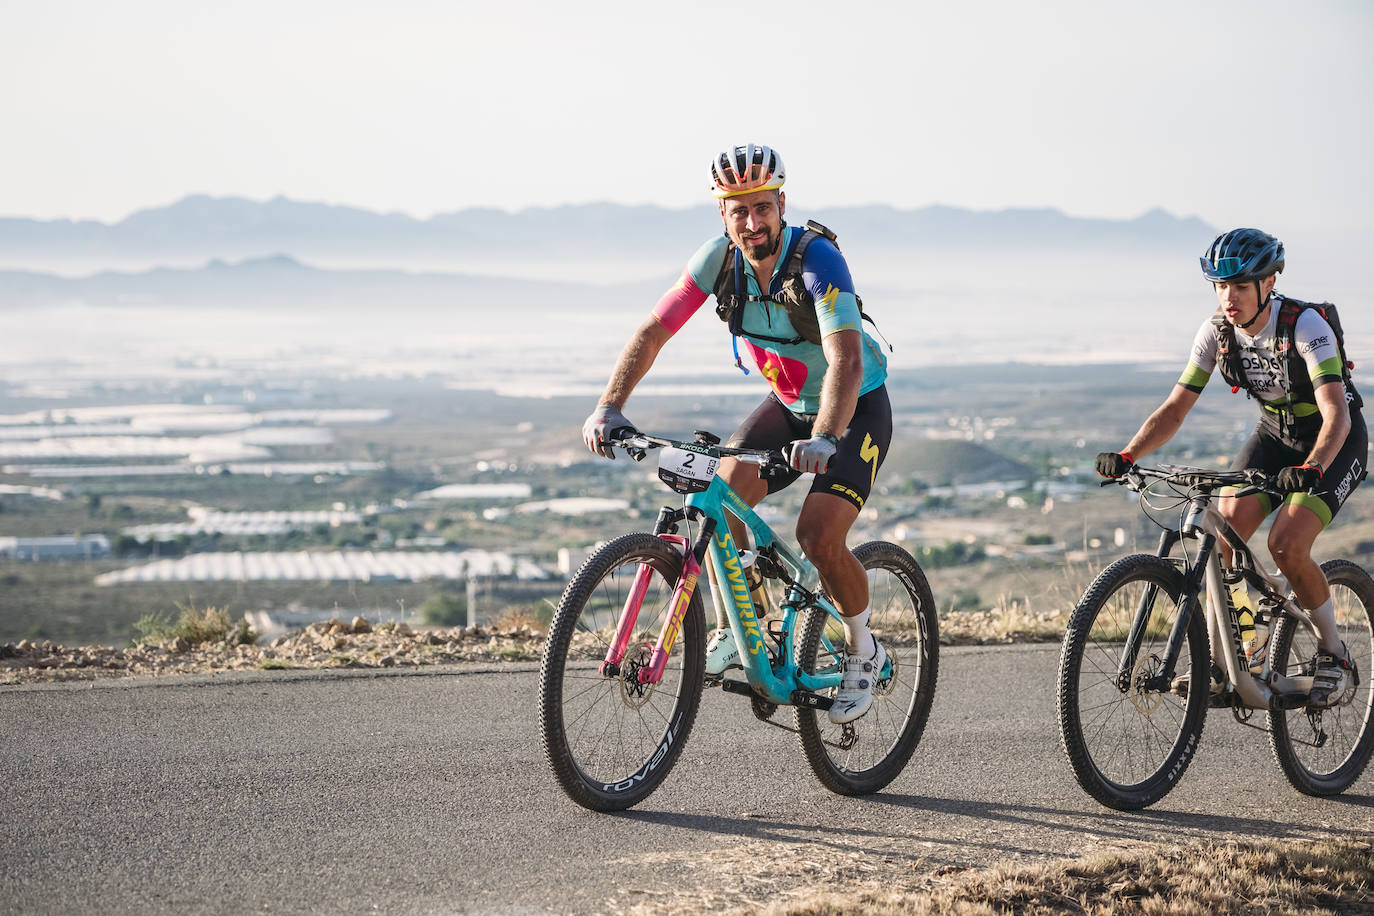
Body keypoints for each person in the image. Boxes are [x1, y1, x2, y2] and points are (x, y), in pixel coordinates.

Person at [580, 143, 893, 724]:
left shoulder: (816, 259)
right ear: (722, 216)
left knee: (818, 535)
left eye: (760, 207)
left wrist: (826, 436)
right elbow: (654, 331)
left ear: (780, 204)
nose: (751, 223)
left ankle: (863, 649)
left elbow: (846, 360)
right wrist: (609, 405)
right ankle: (743, 630)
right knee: (722, 500)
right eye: (737, 210)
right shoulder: (717, 261)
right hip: (789, 404)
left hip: (854, 408)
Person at [1096, 228, 1365, 708]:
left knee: (1285, 541)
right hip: (1274, 436)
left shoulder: (1305, 327)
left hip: (1332, 441)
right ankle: (1246, 651)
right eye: (1220, 287)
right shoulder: (1216, 332)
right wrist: (1129, 454)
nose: (1229, 297)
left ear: (1269, 282)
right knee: (1223, 528)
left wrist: (1314, 467)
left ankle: (1334, 654)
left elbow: (1336, 414)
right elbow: (1175, 408)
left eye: (1239, 286)